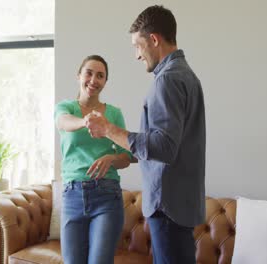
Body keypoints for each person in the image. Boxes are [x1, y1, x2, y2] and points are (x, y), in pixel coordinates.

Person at [86, 5, 206, 264]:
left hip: (168, 207)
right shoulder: (186, 76)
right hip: (180, 206)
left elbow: (164, 147)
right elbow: (171, 142)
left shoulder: (169, 80)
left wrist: (109, 129)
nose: (137, 55)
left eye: (137, 46)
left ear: (154, 39)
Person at [55, 55, 132, 264]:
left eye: (100, 76)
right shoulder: (66, 108)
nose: (93, 80)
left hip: (107, 196)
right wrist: (85, 121)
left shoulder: (114, 113)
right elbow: (63, 123)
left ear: (105, 82)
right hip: (72, 196)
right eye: (89, 73)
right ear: (78, 75)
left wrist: (111, 158)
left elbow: (128, 156)